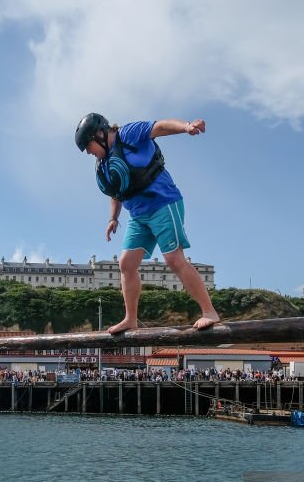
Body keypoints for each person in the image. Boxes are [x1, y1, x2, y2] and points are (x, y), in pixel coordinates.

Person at [75, 113, 221, 334]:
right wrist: (113, 218)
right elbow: (116, 191)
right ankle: (130, 319)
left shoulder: (128, 134)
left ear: (100, 134)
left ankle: (209, 312)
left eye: (88, 145)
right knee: (126, 264)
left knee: (173, 259)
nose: (88, 152)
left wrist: (186, 127)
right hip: (138, 215)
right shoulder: (104, 163)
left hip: (163, 203)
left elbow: (159, 127)